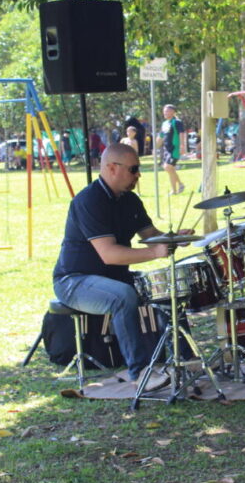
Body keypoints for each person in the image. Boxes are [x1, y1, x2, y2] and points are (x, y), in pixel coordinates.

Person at [52, 143, 191, 384]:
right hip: (74, 281)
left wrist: (175, 238)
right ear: (112, 168)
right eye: (134, 169)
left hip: (113, 278)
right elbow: (110, 254)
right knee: (122, 296)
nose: (138, 175)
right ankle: (139, 373)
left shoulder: (130, 200)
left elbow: (151, 236)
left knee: (169, 288)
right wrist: (155, 253)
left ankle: (187, 362)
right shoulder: (88, 201)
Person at [156, 104, 185, 195]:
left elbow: (181, 134)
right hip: (166, 149)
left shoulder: (177, 122)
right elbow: (161, 136)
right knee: (169, 169)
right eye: (164, 111)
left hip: (174, 148)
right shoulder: (164, 124)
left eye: (167, 111)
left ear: (173, 112)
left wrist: (182, 146)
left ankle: (178, 186)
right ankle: (177, 187)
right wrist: (155, 147)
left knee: (168, 167)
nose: (165, 113)